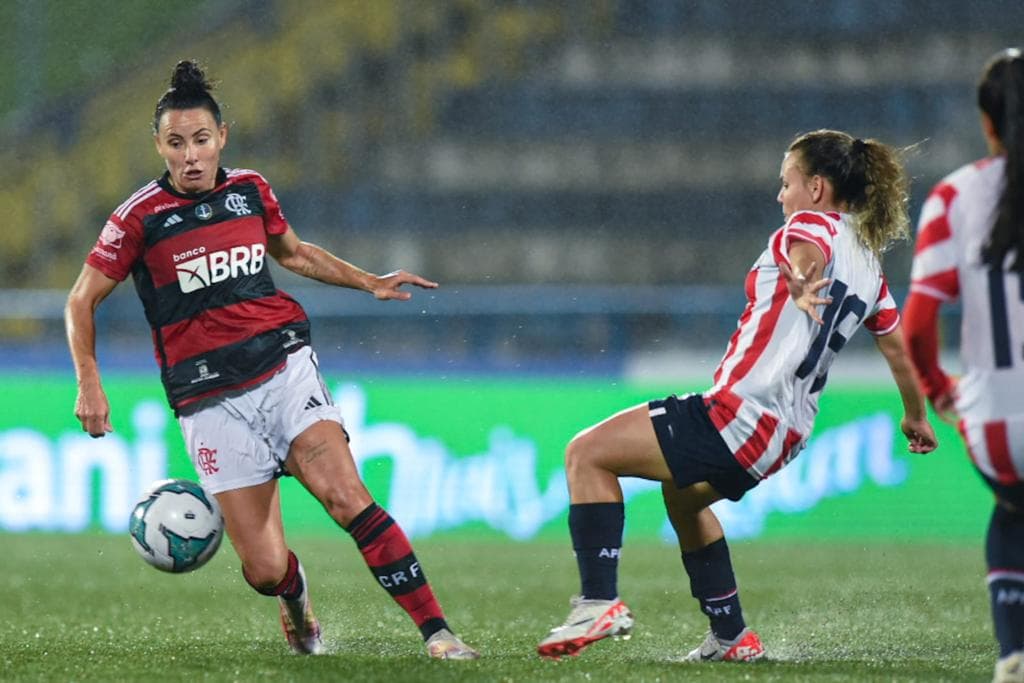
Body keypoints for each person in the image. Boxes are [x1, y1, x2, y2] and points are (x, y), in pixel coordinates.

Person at [64, 60, 479, 660]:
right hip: (207, 399)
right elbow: (81, 299)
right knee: (263, 569)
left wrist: (370, 282)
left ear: (222, 137)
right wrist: (89, 383)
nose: (191, 156)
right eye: (176, 143)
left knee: (345, 497)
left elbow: (294, 254)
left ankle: (438, 633)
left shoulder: (250, 190)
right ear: (159, 145)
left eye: (201, 140)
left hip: (284, 369)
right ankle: (294, 597)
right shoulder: (138, 218)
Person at [536, 129, 939, 662]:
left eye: (787, 182)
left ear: (816, 187)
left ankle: (597, 601)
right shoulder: (869, 265)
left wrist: (799, 278)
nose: (781, 196)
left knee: (585, 454)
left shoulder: (808, 224)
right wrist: (916, 415)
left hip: (739, 414)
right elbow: (896, 349)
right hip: (785, 434)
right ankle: (732, 637)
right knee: (683, 497)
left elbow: (807, 251)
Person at [903, 48, 1024, 683]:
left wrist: (937, 392)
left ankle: (1015, 653)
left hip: (996, 424)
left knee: (1014, 512)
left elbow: (918, 322)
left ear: (988, 123)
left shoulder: (956, 195)